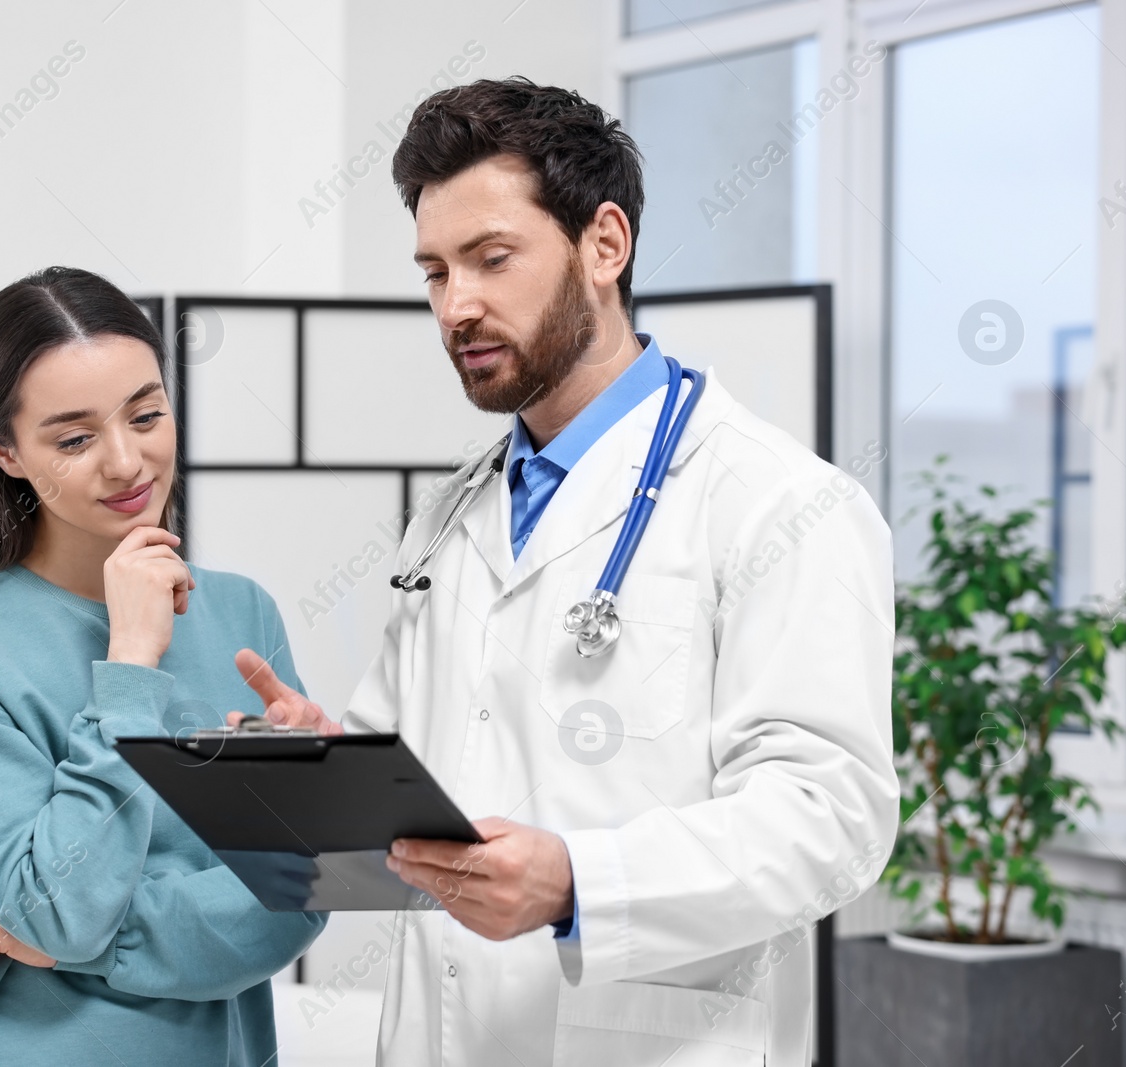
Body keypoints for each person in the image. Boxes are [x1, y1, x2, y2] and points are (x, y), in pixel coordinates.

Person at [233, 77, 899, 1065]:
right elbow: (423, 795)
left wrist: (582, 881)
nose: (457, 305)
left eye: (491, 259)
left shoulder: (777, 503)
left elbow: (829, 816)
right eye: (433, 272)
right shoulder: (454, 513)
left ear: (604, 245)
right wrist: (332, 764)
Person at [0, 266, 324, 1065]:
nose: (127, 461)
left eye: (147, 414)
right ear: (4, 448)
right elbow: (57, 907)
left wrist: (78, 935)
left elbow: (296, 898)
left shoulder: (243, 615)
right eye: (75, 437)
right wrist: (130, 656)